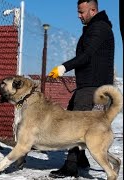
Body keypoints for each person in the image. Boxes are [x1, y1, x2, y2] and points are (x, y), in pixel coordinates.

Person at [47, 0, 114, 178]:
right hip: (89, 85)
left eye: (81, 12)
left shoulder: (98, 28)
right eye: (78, 12)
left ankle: (71, 167)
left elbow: (86, 55)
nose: (79, 16)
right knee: (74, 118)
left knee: (73, 127)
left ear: (93, 10)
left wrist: (63, 67)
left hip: (93, 87)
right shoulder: (97, 27)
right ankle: (82, 159)